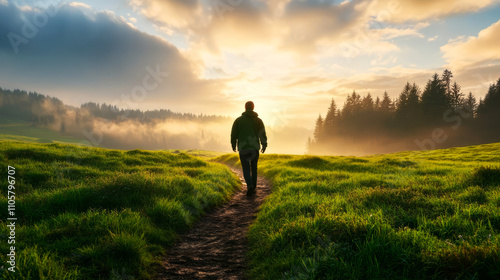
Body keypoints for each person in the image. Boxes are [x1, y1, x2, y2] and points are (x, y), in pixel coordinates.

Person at [231, 101, 267, 196]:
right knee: (254, 167)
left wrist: (233, 144)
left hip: (243, 148)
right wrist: (264, 145)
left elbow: (234, 134)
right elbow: (262, 134)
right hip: (254, 148)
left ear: (245, 108)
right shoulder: (258, 121)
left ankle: (249, 186)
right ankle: (253, 187)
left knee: (246, 168)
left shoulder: (238, 120)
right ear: (253, 108)